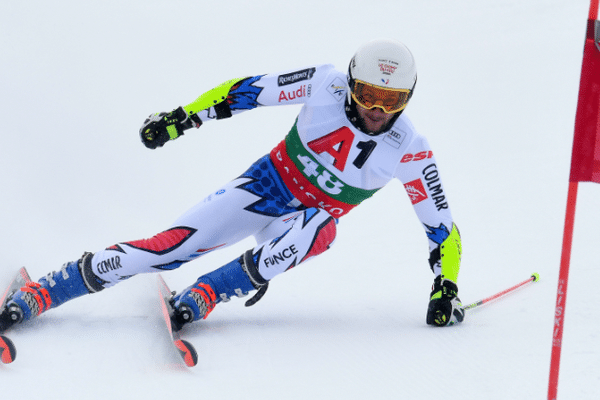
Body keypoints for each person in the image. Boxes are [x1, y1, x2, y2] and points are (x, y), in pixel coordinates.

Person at [0, 39, 464, 333]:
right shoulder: (324, 84)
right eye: (367, 95)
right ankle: (43, 292)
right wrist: (181, 120)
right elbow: (248, 90)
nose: (376, 110)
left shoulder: (411, 149)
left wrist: (446, 285)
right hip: (264, 185)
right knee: (167, 248)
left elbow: (441, 228)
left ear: (408, 98)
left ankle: (210, 291)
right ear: (350, 83)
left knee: (323, 225)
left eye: (391, 100)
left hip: (297, 227)